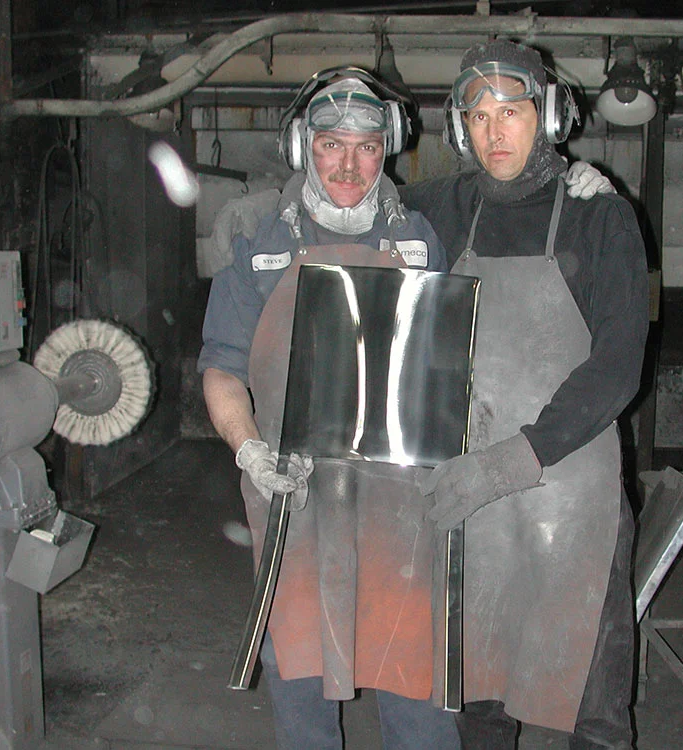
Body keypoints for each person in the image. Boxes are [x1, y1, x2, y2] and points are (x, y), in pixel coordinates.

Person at [197, 68, 461, 750]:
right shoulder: (258, 241)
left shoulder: (419, 237)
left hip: (401, 507)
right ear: (301, 147)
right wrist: (249, 450)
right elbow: (222, 366)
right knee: (303, 678)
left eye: (367, 147)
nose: (348, 164)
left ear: (387, 149)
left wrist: (576, 186)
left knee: (415, 685)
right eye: (331, 144)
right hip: (297, 500)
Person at [399, 40, 649, 749]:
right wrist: (288, 203)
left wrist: (518, 458)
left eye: (511, 111)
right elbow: (349, 198)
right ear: (460, 129)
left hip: (572, 495)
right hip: (475, 493)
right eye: (478, 116)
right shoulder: (441, 209)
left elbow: (618, 366)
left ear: (550, 117)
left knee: (594, 710)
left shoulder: (599, 218)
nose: (495, 132)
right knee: (481, 697)